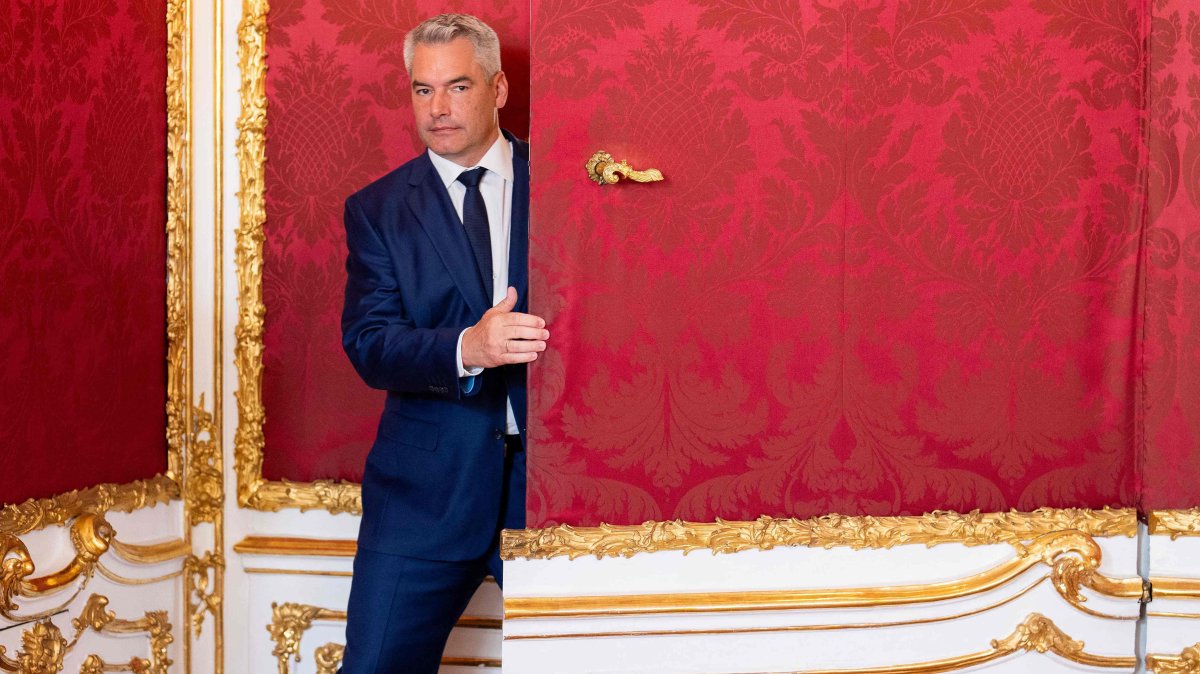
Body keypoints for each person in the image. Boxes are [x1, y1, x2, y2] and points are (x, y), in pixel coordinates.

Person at [338, 14, 546, 673]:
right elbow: (369, 343)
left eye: (457, 86)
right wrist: (467, 348)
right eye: (422, 90)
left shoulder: (565, 187)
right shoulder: (376, 210)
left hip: (548, 490)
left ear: (499, 87)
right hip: (423, 492)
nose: (439, 108)